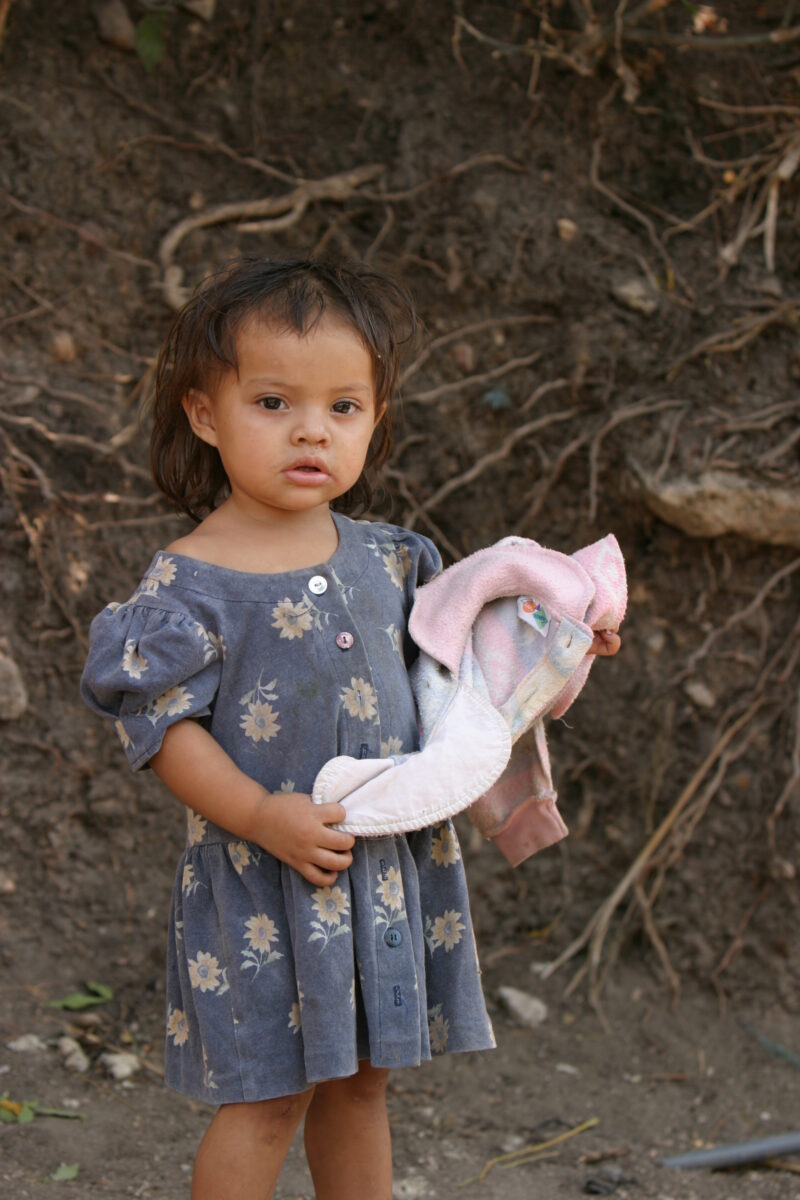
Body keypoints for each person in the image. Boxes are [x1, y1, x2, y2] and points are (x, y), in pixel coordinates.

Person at [81, 257, 620, 1200]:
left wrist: (564, 643)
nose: (311, 431)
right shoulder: (189, 586)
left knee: (362, 1090)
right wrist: (261, 813)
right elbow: (166, 728)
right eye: (275, 401)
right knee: (266, 1102)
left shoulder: (393, 560)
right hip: (265, 880)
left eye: (343, 407)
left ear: (374, 418)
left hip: (379, 876)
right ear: (205, 413)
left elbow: (470, 664)